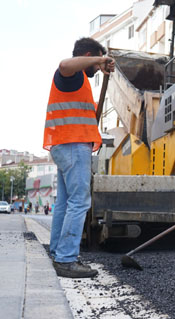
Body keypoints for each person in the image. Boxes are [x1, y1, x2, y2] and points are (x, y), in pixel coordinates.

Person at [43, 37, 115, 278]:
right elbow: (64, 65)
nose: (97, 68)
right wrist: (100, 59)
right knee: (79, 202)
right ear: (87, 56)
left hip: (66, 145)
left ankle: (58, 251)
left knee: (65, 202)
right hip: (72, 145)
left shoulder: (80, 81)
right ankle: (65, 259)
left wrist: (102, 69)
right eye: (95, 62)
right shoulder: (71, 75)